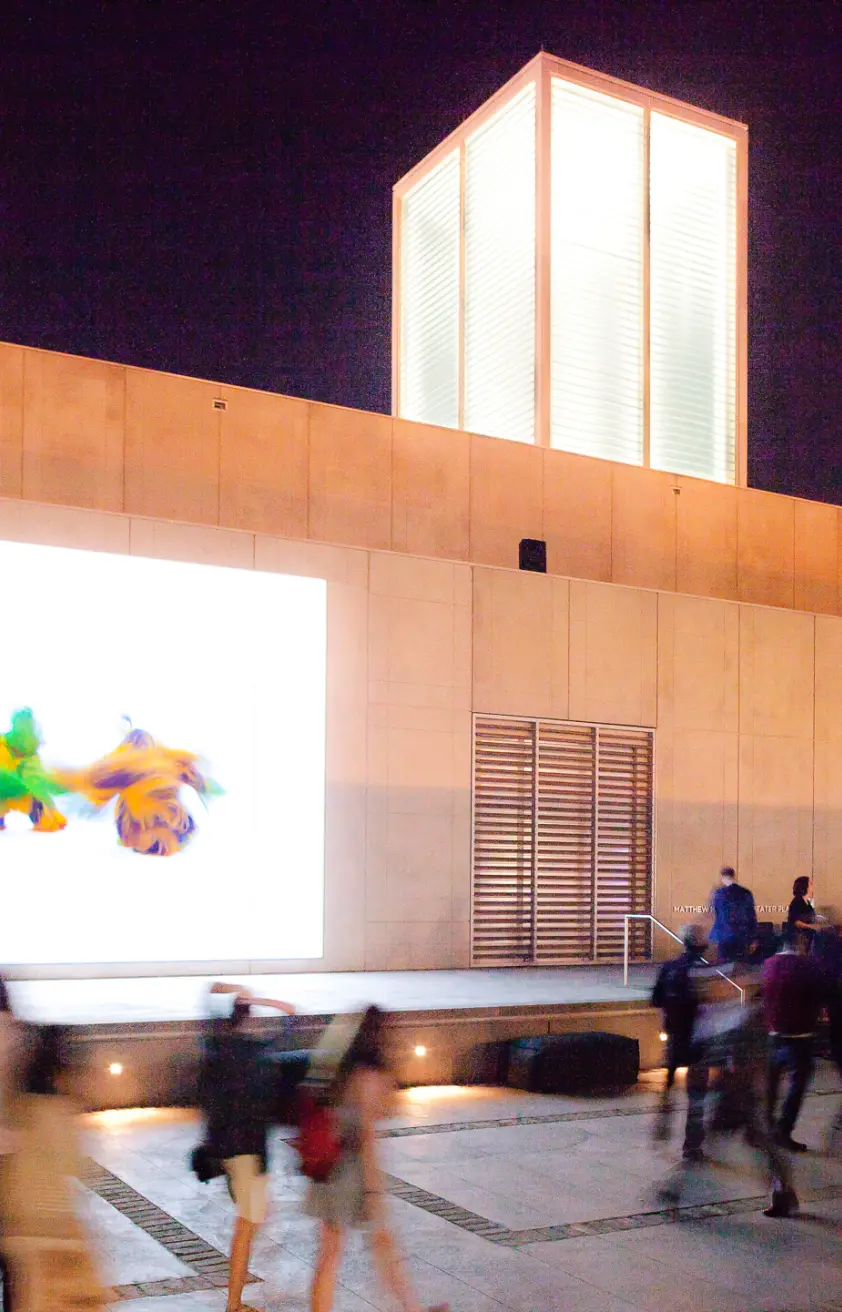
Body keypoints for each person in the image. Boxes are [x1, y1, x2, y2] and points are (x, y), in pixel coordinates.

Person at [305, 1007, 448, 1312]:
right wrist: (373, 1191)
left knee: (350, 1250)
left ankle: (413, 1308)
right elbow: (368, 1136)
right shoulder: (369, 1077)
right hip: (348, 1174)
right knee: (349, 1250)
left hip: (330, 1169)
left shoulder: (346, 1070)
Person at [199, 983, 296, 1312]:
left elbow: (209, 993)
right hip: (249, 1152)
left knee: (250, 1220)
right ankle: (234, 1305)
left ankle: (235, 1302)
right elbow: (290, 1015)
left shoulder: (216, 1045)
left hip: (224, 1151)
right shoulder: (256, 1050)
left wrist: (235, 992)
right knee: (246, 1227)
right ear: (250, 1019)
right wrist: (256, 997)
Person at [0, 1024, 110, 1309]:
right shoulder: (58, 1111)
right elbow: (74, 1163)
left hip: (20, 1223)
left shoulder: (18, 1105)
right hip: (53, 1227)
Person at [651, 925, 712, 1160]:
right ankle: (692, 1145)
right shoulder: (704, 971)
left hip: (675, 1035)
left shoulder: (669, 967)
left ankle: (662, 1127)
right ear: (702, 945)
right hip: (698, 1039)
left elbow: (656, 999)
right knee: (696, 1096)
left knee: (669, 1083)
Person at [762, 927, 825, 1151]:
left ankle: (766, 1126)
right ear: (799, 942)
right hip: (800, 1036)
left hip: (773, 1034)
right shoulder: (807, 966)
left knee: (771, 1083)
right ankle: (783, 1129)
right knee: (797, 1085)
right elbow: (819, 994)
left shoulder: (768, 964)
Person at [708, 866, 757, 962]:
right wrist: (753, 938)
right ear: (733, 876)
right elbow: (751, 916)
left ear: (722, 877)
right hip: (742, 935)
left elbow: (717, 915)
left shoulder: (718, 894)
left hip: (724, 936)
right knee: (740, 965)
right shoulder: (746, 893)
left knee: (724, 965)